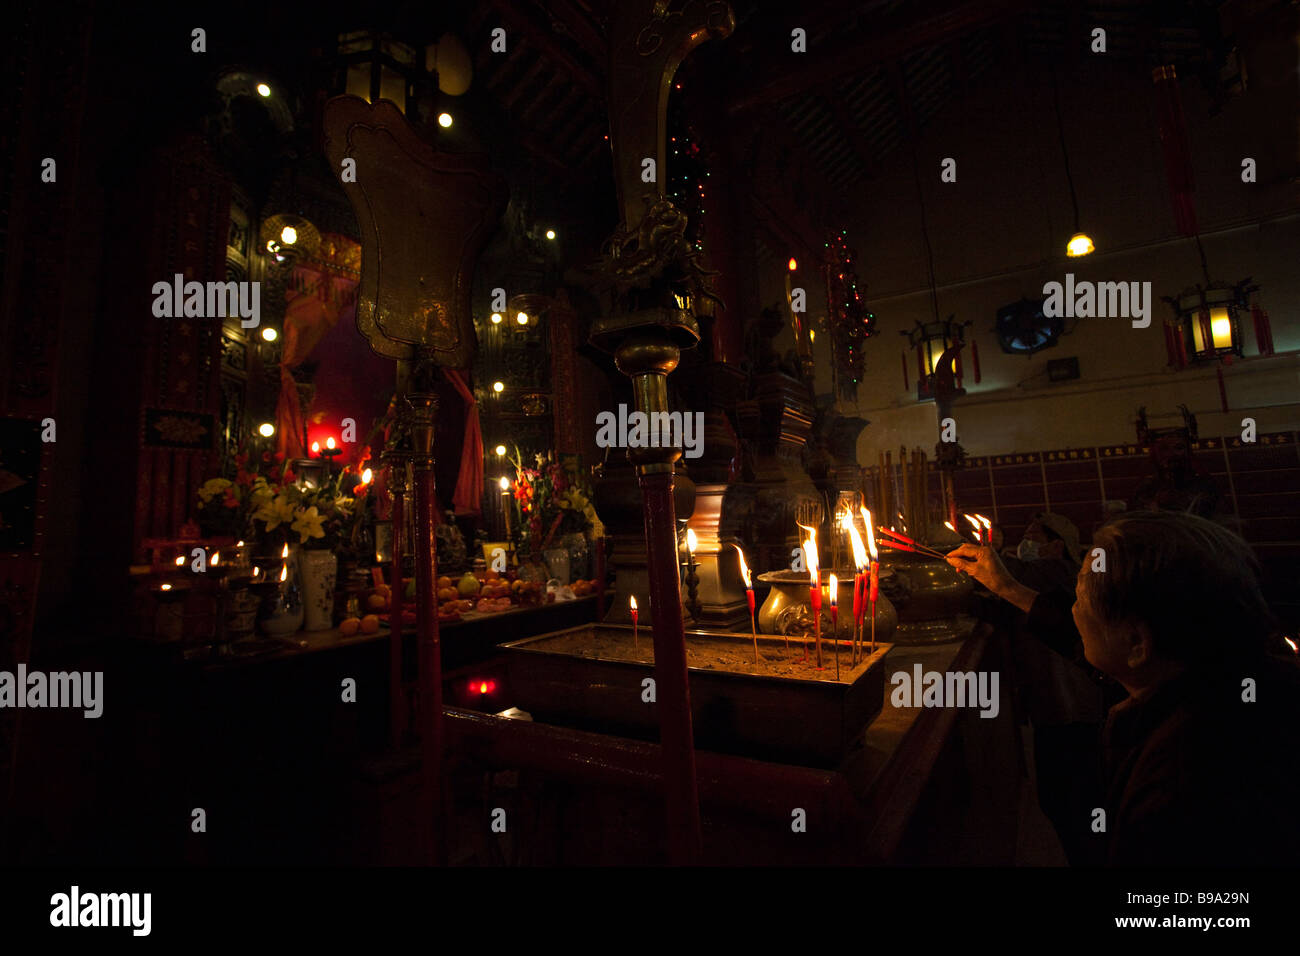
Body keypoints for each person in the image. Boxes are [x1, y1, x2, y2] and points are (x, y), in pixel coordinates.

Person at [956, 511, 1300, 865]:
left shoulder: (1184, 784)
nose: (1074, 613)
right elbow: (1084, 638)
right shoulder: (1220, 678)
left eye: (1079, 601)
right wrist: (1007, 587)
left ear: (1137, 642)